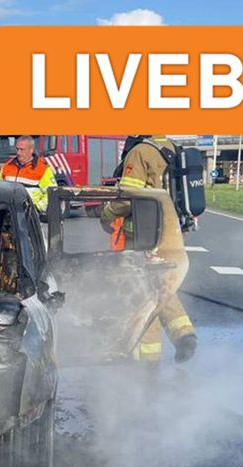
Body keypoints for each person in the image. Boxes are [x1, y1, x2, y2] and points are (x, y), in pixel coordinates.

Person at [103, 135, 197, 364]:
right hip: (172, 233)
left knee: (145, 294)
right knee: (160, 287)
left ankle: (147, 362)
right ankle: (183, 333)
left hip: (144, 236)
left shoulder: (140, 152)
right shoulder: (173, 149)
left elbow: (127, 197)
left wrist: (105, 213)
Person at [0, 135, 57, 216]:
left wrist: (37, 208)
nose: (18, 153)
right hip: (8, 214)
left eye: (22, 149)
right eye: (17, 149)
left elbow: (51, 193)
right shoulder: (7, 166)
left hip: (30, 216)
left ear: (31, 150)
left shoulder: (42, 169)